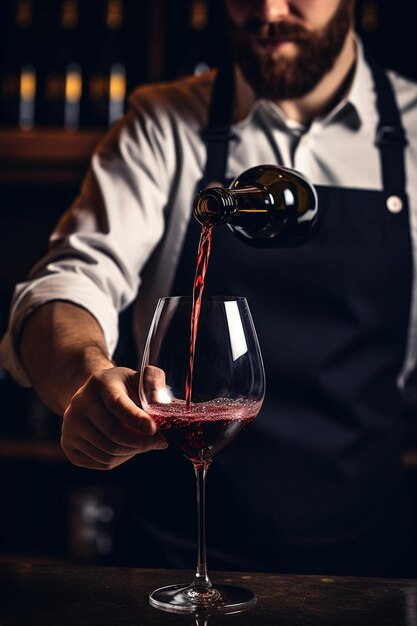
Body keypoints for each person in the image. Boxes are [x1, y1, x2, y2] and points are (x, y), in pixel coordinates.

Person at [1, 0, 417, 577]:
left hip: (370, 572)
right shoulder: (163, 121)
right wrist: (84, 376)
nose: (269, 10)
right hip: (168, 567)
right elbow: (68, 281)